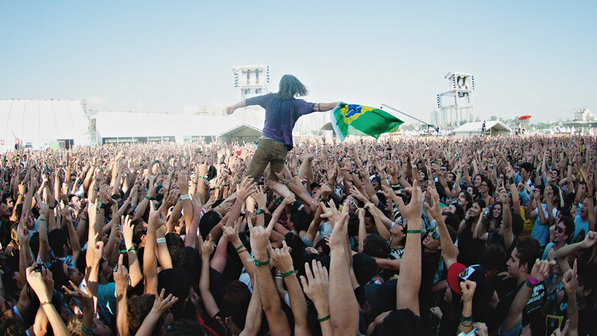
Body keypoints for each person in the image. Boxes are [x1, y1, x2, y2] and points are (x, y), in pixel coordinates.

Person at [226, 74, 339, 181]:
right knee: (273, 182)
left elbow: (250, 101)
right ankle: (291, 199)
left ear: (280, 86)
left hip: (266, 143)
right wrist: (335, 105)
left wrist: (234, 106)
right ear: (295, 88)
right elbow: (316, 106)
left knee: (249, 180)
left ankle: (239, 201)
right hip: (282, 147)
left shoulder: (269, 98)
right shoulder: (297, 104)